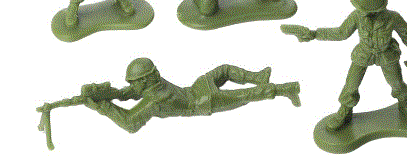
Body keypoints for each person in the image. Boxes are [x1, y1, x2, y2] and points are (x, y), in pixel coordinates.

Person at [282, 0, 407, 131]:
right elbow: (341, 33)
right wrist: (315, 34)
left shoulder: (392, 17)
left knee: (396, 82)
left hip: (386, 54)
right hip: (363, 54)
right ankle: (345, 109)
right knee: (351, 84)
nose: (360, 10)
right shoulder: (357, 16)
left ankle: (405, 103)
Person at [73, 57, 299, 133]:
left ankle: (286, 88)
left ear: (145, 80)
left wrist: (103, 107)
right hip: (198, 88)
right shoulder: (154, 83)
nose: (131, 85)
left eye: (134, 81)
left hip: (203, 101)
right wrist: (107, 94)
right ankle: (258, 77)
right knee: (225, 69)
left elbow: (130, 123)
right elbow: (128, 93)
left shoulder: (155, 99)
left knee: (246, 95)